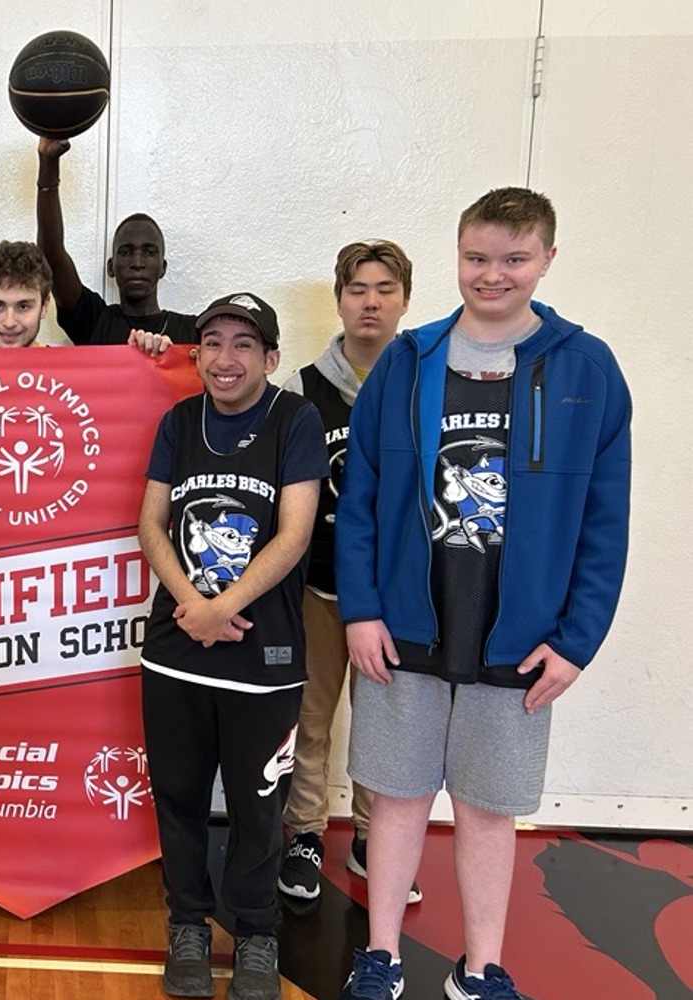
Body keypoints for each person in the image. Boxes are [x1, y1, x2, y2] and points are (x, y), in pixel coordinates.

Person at [336, 189, 632, 1000]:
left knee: (488, 811)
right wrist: (361, 607)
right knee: (394, 802)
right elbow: (359, 495)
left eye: (513, 258)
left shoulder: (586, 367)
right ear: (457, 255)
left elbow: (607, 518)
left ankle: (479, 967)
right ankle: (383, 954)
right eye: (476, 258)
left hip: (519, 637)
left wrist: (577, 641)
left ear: (546, 259)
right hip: (405, 627)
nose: (491, 274)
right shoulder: (411, 359)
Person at [138, 294, 326, 1000]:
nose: (224, 358)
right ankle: (187, 922)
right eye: (212, 342)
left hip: (262, 657)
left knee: (258, 807)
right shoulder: (179, 421)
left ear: (271, 357)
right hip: (176, 647)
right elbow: (150, 523)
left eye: (243, 343)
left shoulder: (295, 420)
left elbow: (294, 533)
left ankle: (255, 931)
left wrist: (222, 607)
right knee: (179, 797)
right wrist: (192, 606)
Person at [277, 240, 422, 905]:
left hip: (394, 596)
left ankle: (372, 837)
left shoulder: (424, 382)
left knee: (384, 723)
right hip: (318, 585)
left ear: (404, 299)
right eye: (358, 288)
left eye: (384, 288)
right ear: (339, 300)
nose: (370, 301)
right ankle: (304, 832)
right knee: (311, 719)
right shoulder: (302, 392)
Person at [35, 138, 198, 346]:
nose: (137, 262)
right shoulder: (94, 321)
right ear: (111, 267)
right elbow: (51, 257)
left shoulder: (191, 332)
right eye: (126, 252)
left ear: (162, 268)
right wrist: (48, 164)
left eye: (149, 252)